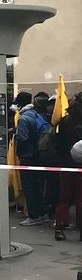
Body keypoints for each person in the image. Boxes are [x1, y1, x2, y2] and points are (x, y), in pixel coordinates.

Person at [15, 94, 50, 225]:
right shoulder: (36, 116)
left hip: (27, 157)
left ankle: (34, 215)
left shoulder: (23, 119)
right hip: (39, 156)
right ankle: (43, 213)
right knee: (38, 186)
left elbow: (22, 138)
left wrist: (15, 136)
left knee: (29, 187)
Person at [54, 92, 82, 241]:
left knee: (64, 198)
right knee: (80, 199)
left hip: (66, 165)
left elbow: (58, 143)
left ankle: (59, 227)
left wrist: (63, 160)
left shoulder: (64, 121)